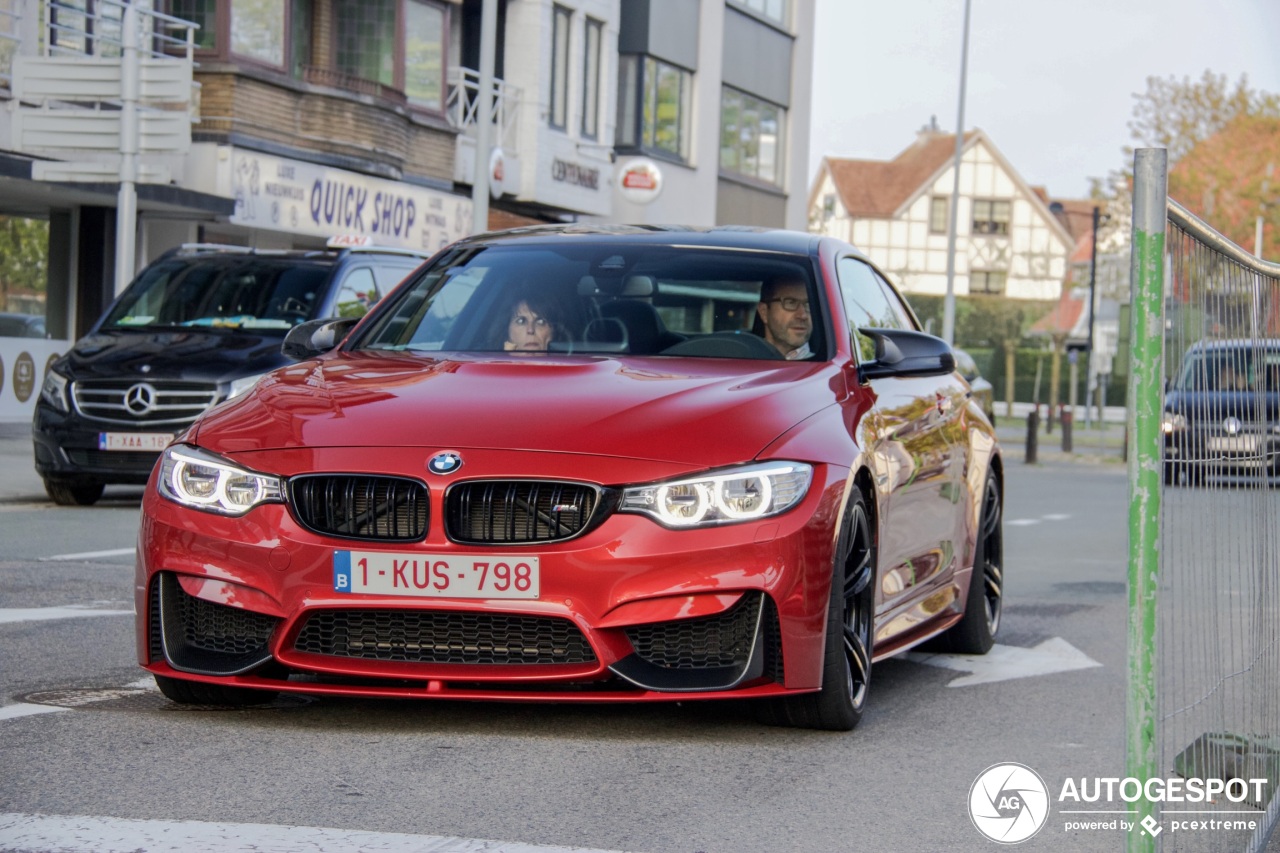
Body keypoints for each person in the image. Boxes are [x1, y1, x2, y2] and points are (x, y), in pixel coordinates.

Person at [756, 275, 813, 359]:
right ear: (764, 312)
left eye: (808, 304)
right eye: (791, 302)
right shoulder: (745, 361)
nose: (802, 315)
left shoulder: (827, 367)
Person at [494, 287, 563, 352]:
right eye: (521, 321)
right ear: (506, 332)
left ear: (553, 331)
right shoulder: (488, 362)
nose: (530, 330)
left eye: (540, 322)